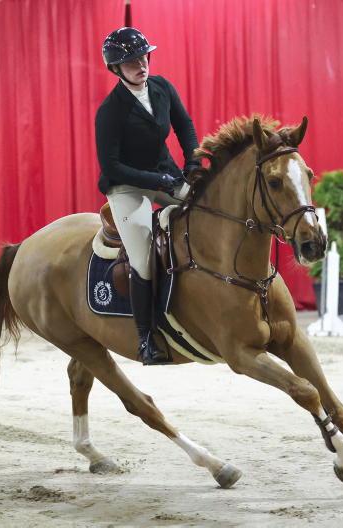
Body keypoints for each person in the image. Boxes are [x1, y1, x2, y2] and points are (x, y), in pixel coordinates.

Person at [95, 27, 200, 366]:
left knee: (208, 210)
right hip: (127, 187)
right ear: (116, 68)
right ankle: (145, 338)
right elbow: (112, 165)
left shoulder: (162, 87)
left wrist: (193, 162)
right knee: (142, 257)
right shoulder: (110, 110)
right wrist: (157, 180)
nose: (141, 65)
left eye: (143, 58)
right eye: (131, 62)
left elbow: (184, 126)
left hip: (165, 175)